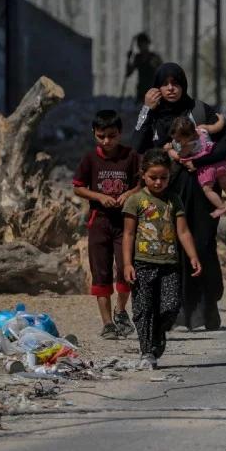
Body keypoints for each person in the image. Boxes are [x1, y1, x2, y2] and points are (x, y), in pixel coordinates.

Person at [133, 62, 226, 330]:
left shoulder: (199, 111)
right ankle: (173, 314)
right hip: (166, 193)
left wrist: (199, 162)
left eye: (175, 83)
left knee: (202, 246)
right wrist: (146, 109)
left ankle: (207, 310)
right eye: (164, 83)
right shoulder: (152, 116)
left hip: (201, 190)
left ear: (183, 85)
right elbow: (137, 146)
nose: (170, 88)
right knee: (171, 249)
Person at [122, 150, 203, 370]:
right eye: (153, 177)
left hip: (169, 264)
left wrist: (193, 256)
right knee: (143, 308)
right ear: (143, 175)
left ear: (169, 175)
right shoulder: (135, 201)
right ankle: (147, 350)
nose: (158, 182)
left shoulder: (173, 199)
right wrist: (127, 264)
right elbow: (128, 234)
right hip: (142, 262)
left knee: (171, 306)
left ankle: (158, 335)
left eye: (163, 178)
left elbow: (183, 231)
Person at [73, 109, 141, 340]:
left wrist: (129, 194)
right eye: (101, 136)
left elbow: (144, 183)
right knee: (100, 272)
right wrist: (99, 197)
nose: (106, 141)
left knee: (126, 270)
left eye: (111, 135)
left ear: (120, 133)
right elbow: (77, 186)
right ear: (94, 133)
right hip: (99, 222)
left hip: (125, 223)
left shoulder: (131, 157)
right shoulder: (89, 159)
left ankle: (121, 311)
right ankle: (107, 323)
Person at [166, 116, 226, 218]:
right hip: (219, 162)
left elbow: (179, 157)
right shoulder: (202, 128)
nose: (177, 142)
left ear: (188, 136)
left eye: (178, 140)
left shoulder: (189, 145)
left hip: (207, 169)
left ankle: (221, 207)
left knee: (207, 190)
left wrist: (169, 150)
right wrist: (221, 120)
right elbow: (216, 127)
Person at [125, 32, 163, 106]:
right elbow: (128, 73)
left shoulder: (154, 57)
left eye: (143, 44)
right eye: (140, 45)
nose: (141, 47)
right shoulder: (138, 58)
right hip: (141, 92)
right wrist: (128, 60)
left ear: (147, 44)